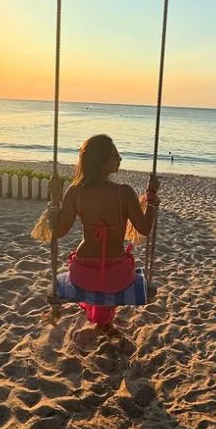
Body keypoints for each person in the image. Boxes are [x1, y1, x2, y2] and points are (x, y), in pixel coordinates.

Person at [53, 134, 159, 330]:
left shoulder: (75, 192)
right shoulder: (124, 193)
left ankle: (101, 322)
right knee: (120, 274)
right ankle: (105, 323)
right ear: (101, 162)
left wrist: (54, 203)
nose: (120, 159)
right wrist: (151, 197)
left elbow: (59, 232)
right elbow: (145, 228)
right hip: (116, 275)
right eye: (115, 155)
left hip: (82, 273)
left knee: (93, 282)